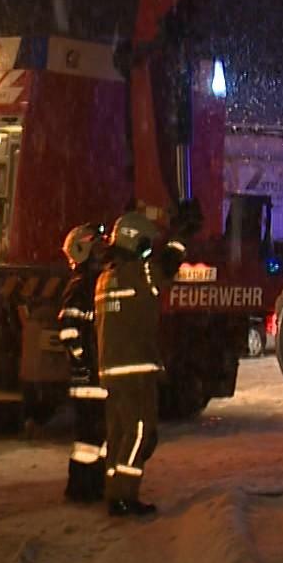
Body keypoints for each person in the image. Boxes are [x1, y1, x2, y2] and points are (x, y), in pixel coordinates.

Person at [95, 211, 166, 517]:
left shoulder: (105, 277)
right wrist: (179, 238)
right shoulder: (138, 273)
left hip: (112, 370)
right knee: (139, 433)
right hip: (135, 370)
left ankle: (114, 493)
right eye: (146, 246)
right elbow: (164, 273)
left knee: (119, 433)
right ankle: (125, 495)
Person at [57, 222, 107, 503]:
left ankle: (90, 485)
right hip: (89, 378)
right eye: (97, 248)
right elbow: (68, 331)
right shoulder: (80, 287)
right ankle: (82, 488)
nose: (101, 255)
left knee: (94, 436)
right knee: (90, 436)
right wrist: (83, 362)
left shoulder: (92, 284)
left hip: (93, 375)